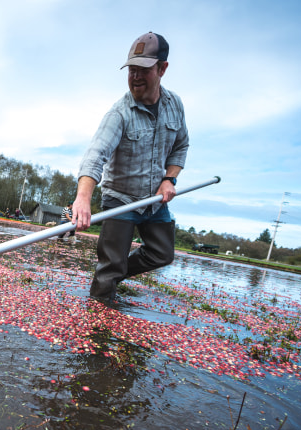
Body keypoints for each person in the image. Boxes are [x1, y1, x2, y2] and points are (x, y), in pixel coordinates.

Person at [70, 31, 189, 301]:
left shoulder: (175, 106)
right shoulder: (119, 114)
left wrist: (170, 179)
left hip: (155, 200)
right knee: (109, 269)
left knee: (162, 254)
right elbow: (95, 155)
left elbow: (181, 146)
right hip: (120, 200)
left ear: (162, 68)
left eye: (143, 70)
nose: (135, 77)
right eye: (131, 69)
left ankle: (114, 273)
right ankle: (99, 323)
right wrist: (83, 199)